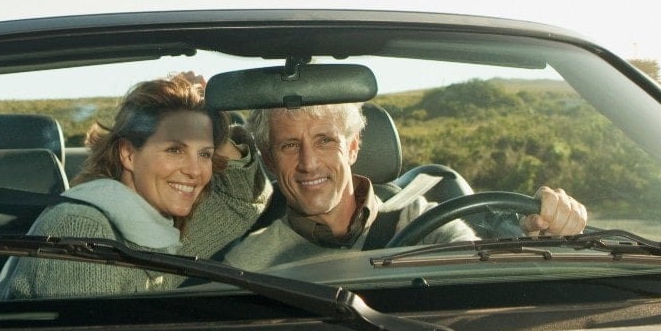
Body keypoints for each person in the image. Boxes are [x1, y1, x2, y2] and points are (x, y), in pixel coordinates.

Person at [0, 75, 270, 299]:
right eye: (175, 149)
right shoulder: (83, 229)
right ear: (128, 154)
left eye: (205, 154)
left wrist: (207, 113)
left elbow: (241, 198)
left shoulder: (155, 225)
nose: (195, 171)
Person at [220, 103, 587, 270]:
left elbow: (483, 272)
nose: (308, 162)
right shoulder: (249, 263)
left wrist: (542, 239)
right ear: (268, 160)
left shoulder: (423, 222)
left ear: (352, 146)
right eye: (288, 146)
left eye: (325, 141)